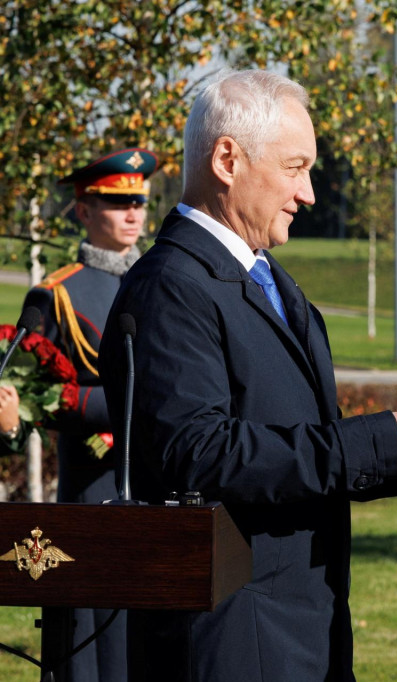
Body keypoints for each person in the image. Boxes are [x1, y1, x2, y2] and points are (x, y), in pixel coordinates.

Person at [97, 70, 397, 681]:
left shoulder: (269, 281)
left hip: (302, 629)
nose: (311, 194)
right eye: (296, 168)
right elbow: (200, 452)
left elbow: (306, 453)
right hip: (234, 641)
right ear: (227, 159)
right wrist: (375, 439)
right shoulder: (172, 287)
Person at [20, 146, 159, 682]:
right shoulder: (55, 295)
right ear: (82, 210)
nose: (133, 215)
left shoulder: (160, 281)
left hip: (153, 486)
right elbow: (30, 397)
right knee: (88, 647)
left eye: (140, 203)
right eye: (116, 203)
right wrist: (124, 410)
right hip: (91, 486)